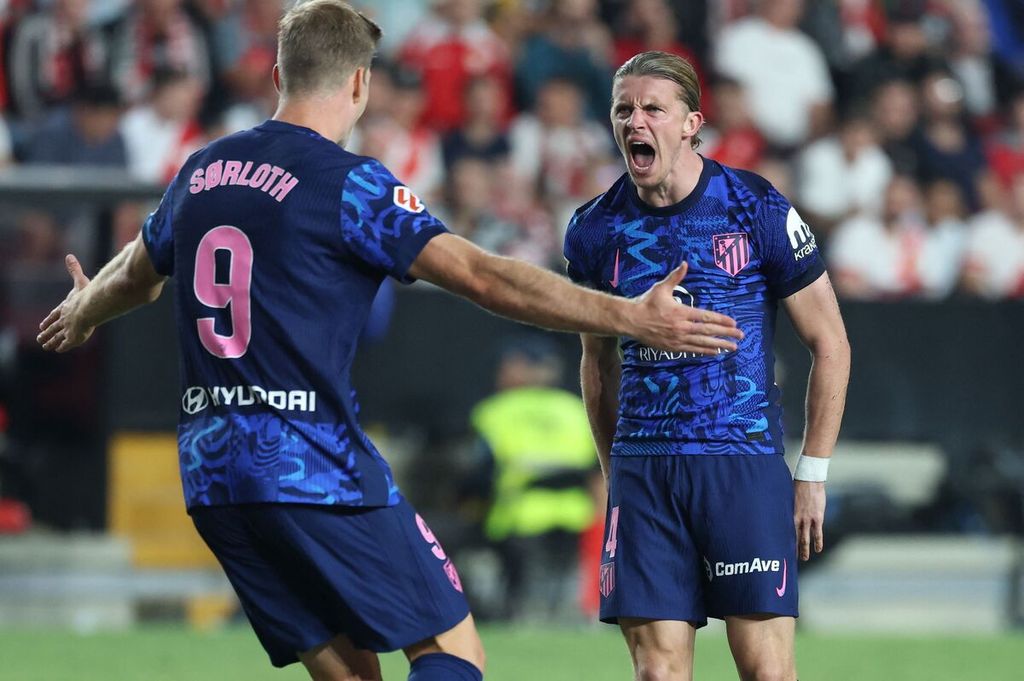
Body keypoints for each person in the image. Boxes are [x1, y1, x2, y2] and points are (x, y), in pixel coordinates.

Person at [36, 5, 743, 681]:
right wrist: (630, 317)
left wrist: (84, 309)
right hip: (310, 461)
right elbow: (480, 275)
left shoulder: (201, 171)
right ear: (359, 83)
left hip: (211, 471)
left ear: (279, 77)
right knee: (454, 651)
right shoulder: (349, 184)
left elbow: (134, 271)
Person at [563, 51, 850, 680]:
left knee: (766, 672)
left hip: (740, 466)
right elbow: (598, 366)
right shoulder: (593, 230)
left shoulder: (755, 207)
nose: (635, 122)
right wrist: (617, 476)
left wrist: (813, 473)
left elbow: (830, 341)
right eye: (623, 109)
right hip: (646, 472)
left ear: (692, 122)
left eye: (652, 109)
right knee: (658, 673)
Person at [469, 336, 597, 622]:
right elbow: (594, 467)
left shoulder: (495, 410)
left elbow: (479, 473)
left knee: (522, 604)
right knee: (563, 598)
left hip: (520, 516)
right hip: (574, 515)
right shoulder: (575, 408)